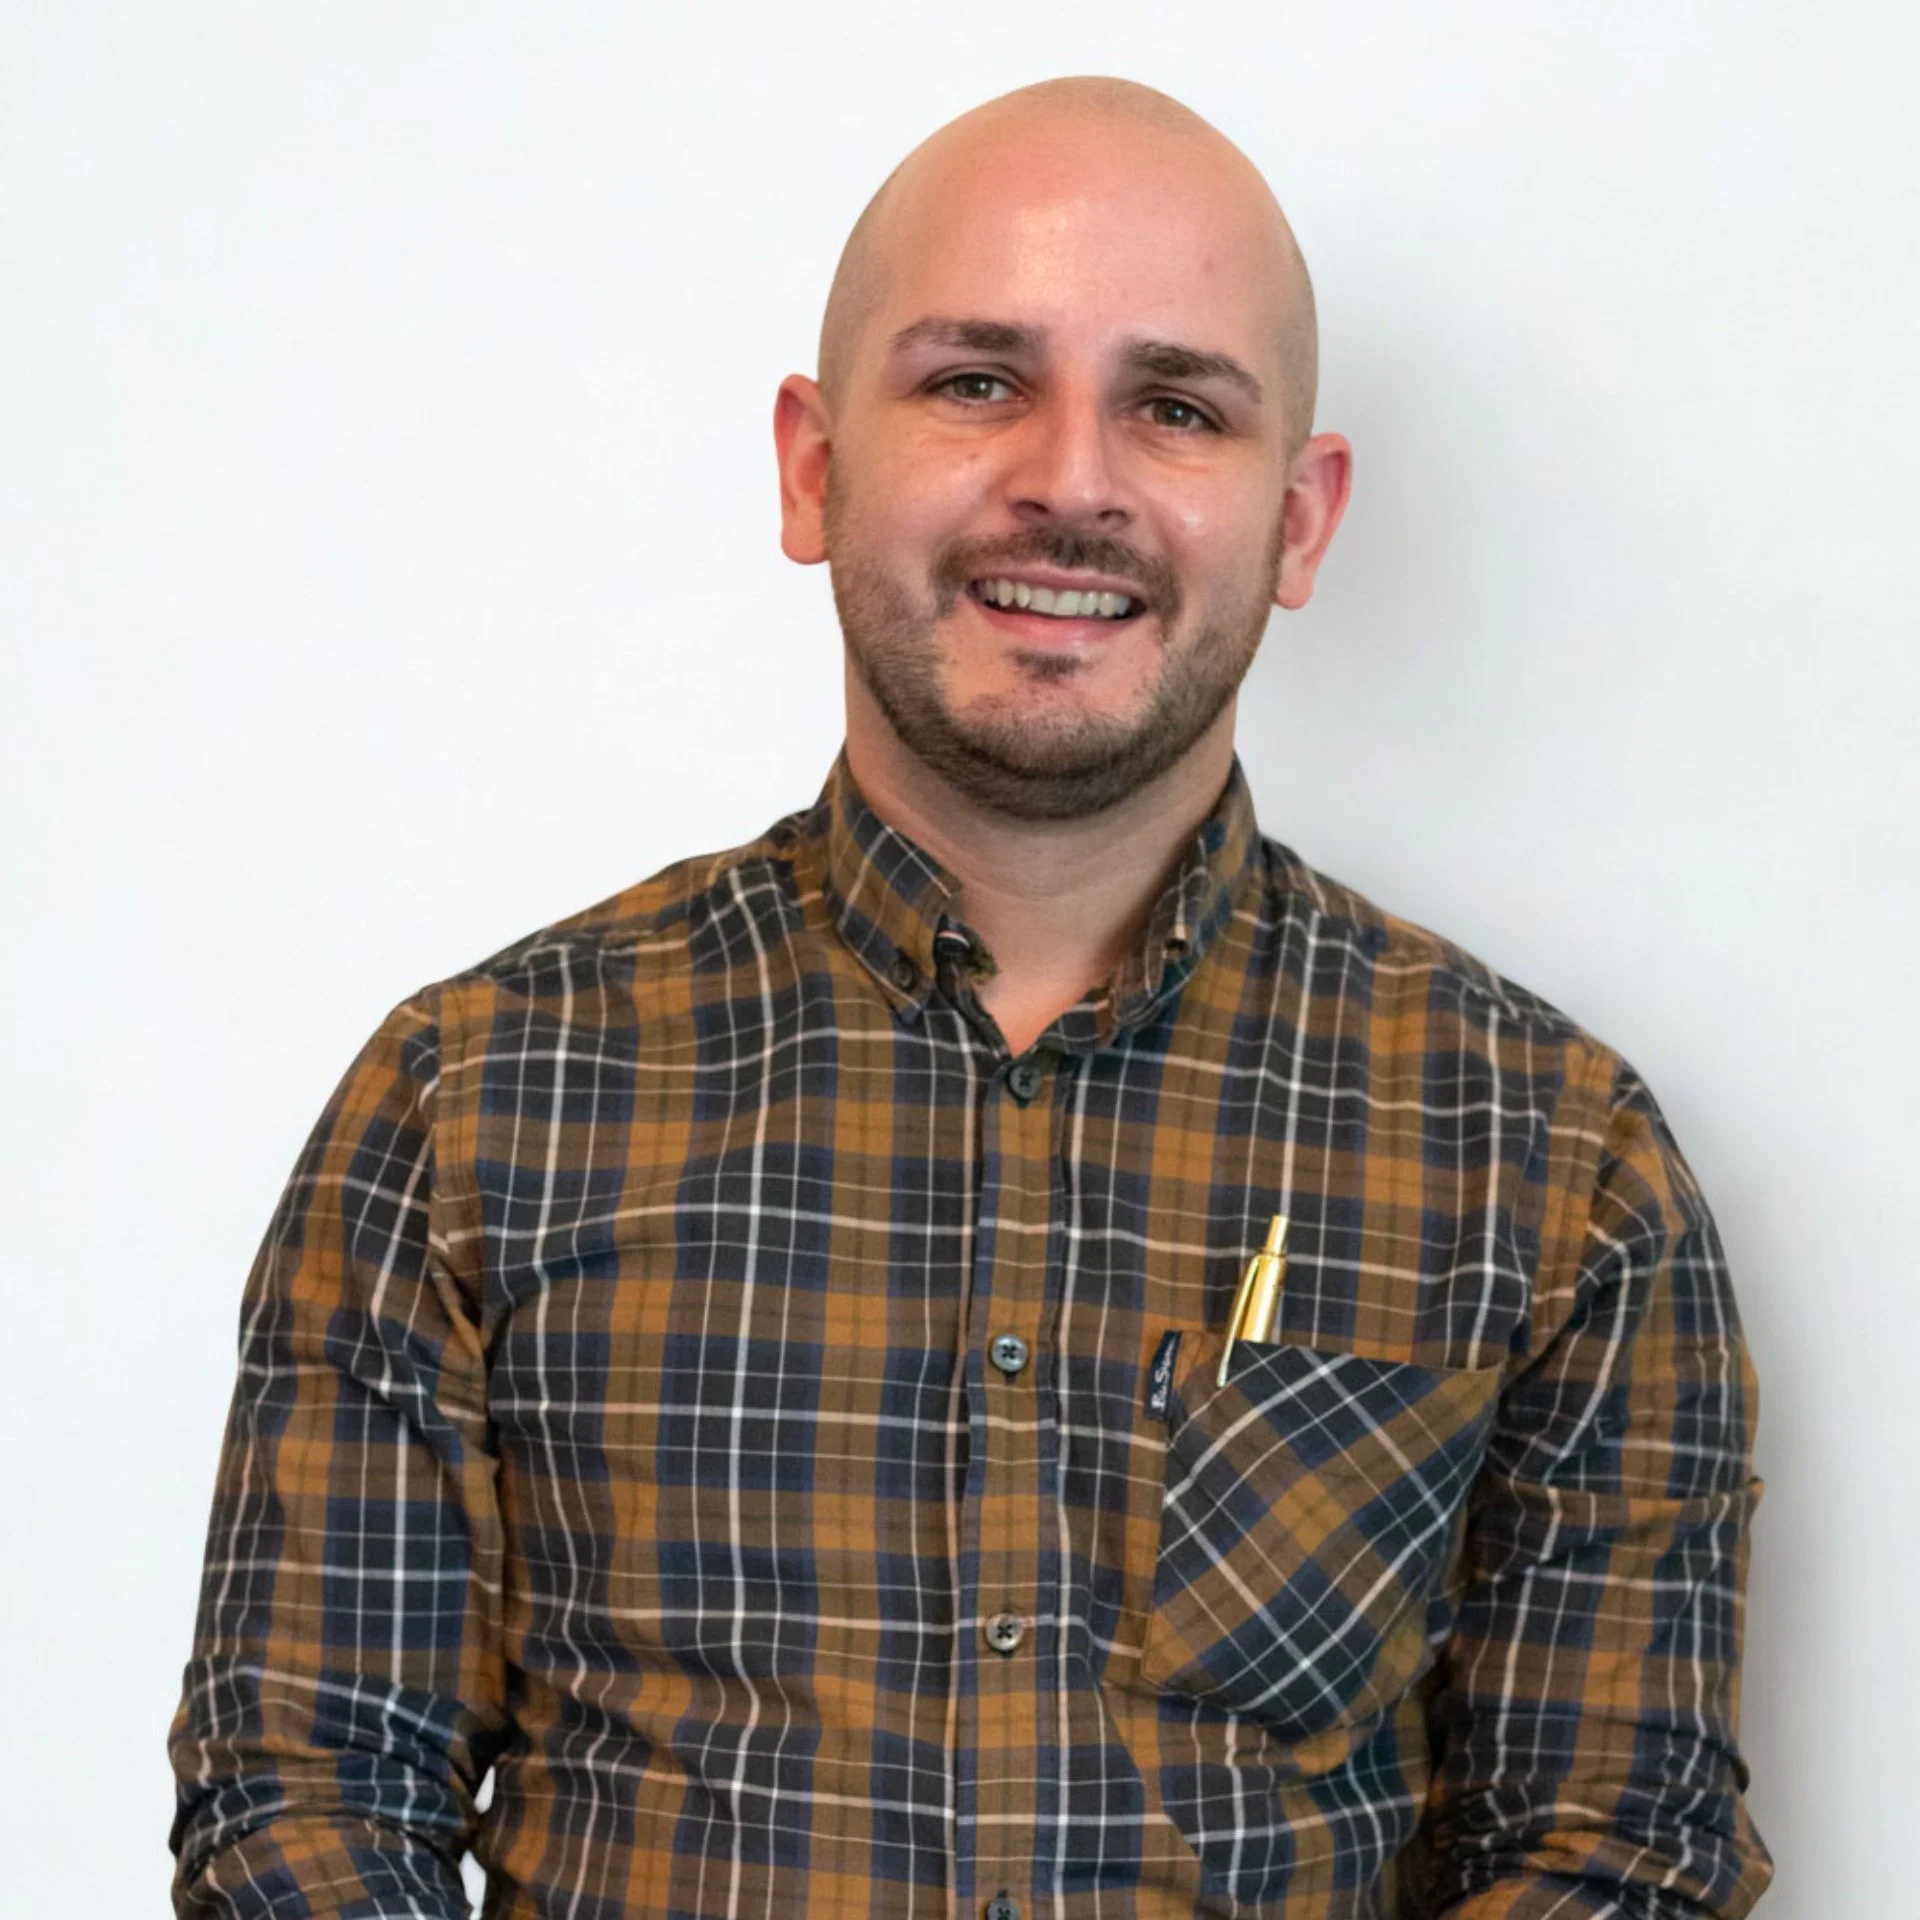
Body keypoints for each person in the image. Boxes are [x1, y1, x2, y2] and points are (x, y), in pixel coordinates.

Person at [169, 76, 1771, 1920]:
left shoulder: (1553, 1164)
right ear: (812, 464)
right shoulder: (472, 1104)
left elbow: (1615, 1854)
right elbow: (299, 1800)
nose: (1070, 480)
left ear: (1300, 521)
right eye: (977, 381)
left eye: (1175, 405)